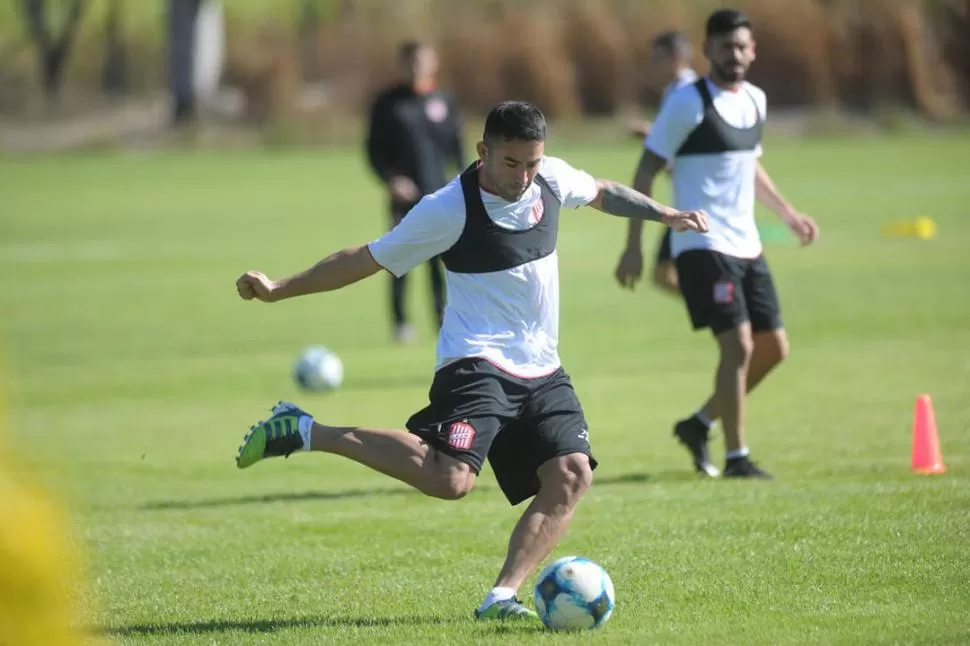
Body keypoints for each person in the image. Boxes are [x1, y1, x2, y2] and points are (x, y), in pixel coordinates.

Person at [235, 101, 708, 620]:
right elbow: (364, 258)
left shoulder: (548, 178)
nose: (524, 176)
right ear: (483, 151)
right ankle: (306, 430)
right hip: (477, 360)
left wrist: (663, 213)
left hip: (542, 364)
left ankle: (501, 598)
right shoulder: (448, 209)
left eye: (532, 162)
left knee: (572, 474)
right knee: (450, 480)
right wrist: (279, 289)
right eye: (512, 164)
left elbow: (600, 191)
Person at [614, 9, 819, 479]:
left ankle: (699, 421)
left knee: (775, 348)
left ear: (754, 50)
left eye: (743, 46)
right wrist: (633, 245)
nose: (736, 55)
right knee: (740, 345)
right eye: (726, 47)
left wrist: (788, 214)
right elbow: (645, 170)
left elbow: (750, 166)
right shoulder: (687, 102)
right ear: (707, 51)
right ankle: (736, 458)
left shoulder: (755, 101)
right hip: (701, 244)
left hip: (747, 244)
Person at [365, 40, 466, 344]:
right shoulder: (388, 103)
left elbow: (457, 147)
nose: (416, 68)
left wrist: (459, 179)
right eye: (410, 62)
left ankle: (441, 321)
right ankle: (401, 323)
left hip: (440, 195)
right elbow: (372, 150)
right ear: (402, 64)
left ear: (433, 63)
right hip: (404, 196)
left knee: (441, 262)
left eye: (421, 61)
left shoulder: (444, 101)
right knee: (399, 258)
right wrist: (390, 180)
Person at [627, 30, 700, 295]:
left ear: (677, 58)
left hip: (698, 204)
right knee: (662, 274)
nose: (652, 65)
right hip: (686, 201)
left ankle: (719, 312)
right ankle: (716, 311)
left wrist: (649, 134)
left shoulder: (687, 93)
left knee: (666, 274)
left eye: (657, 59)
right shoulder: (676, 92)